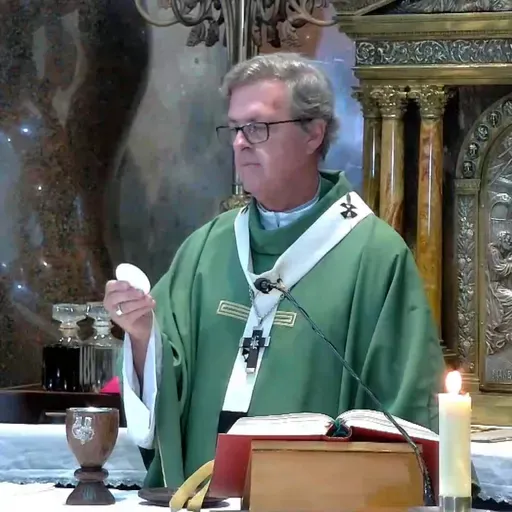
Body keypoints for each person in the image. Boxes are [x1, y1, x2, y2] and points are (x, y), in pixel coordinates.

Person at [103, 52, 446, 489]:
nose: (240, 142)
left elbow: (403, 407)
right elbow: (166, 374)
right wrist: (140, 335)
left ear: (313, 133)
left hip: (315, 498)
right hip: (200, 492)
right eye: (234, 128)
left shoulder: (375, 256)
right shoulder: (207, 247)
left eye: (258, 127)